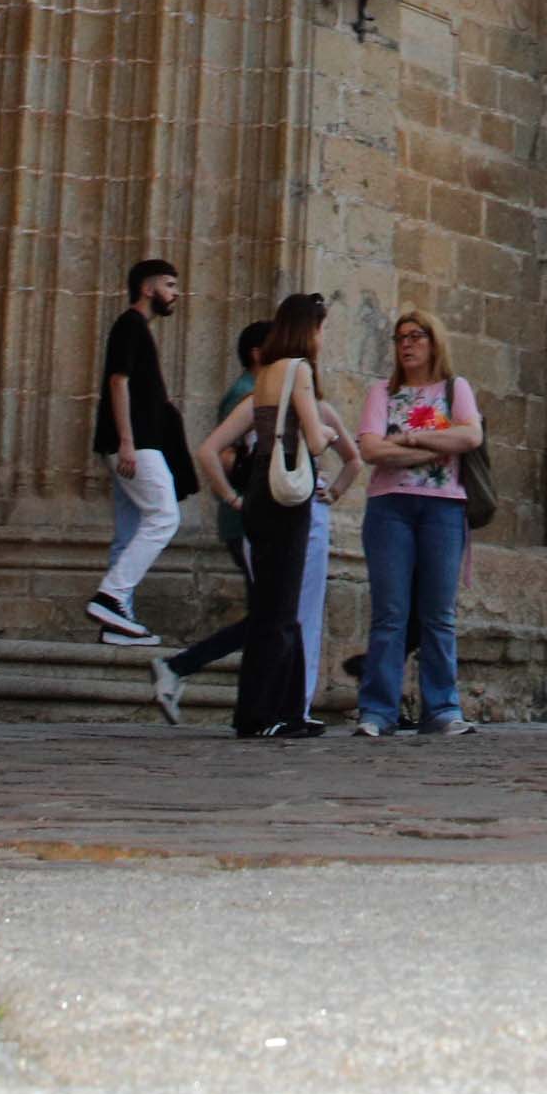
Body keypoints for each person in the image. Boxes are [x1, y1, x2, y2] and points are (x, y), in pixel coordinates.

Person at [198, 292, 351, 738]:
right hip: (288, 495)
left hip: (259, 492)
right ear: (309, 330)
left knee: (268, 606)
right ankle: (275, 714)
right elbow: (318, 442)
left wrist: (232, 497)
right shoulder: (298, 370)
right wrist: (323, 429)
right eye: (321, 329)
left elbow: (207, 449)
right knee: (284, 608)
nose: (322, 339)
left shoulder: (262, 377)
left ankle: (260, 712)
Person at [352, 308, 483, 738]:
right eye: (400, 338)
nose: (406, 344)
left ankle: (442, 709)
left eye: (416, 336)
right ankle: (377, 710)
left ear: (434, 341)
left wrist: (407, 439)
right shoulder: (381, 393)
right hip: (390, 506)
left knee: (438, 614)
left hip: (443, 507)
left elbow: (469, 437)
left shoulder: (454, 388)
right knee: (390, 613)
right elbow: (371, 449)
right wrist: (434, 448)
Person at [152, 318, 268, 720]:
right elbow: (224, 454)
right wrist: (238, 496)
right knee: (270, 615)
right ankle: (179, 666)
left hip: (249, 516)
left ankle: (251, 703)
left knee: (266, 615)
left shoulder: (253, 389)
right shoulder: (245, 394)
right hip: (246, 519)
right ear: (257, 352)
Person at [86, 256, 192, 646]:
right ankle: (112, 596)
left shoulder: (138, 328)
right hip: (135, 444)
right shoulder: (130, 324)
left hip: (136, 443)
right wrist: (128, 442)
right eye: (169, 285)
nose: (175, 293)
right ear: (148, 288)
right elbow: (118, 381)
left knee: (131, 529)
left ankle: (117, 623)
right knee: (165, 516)